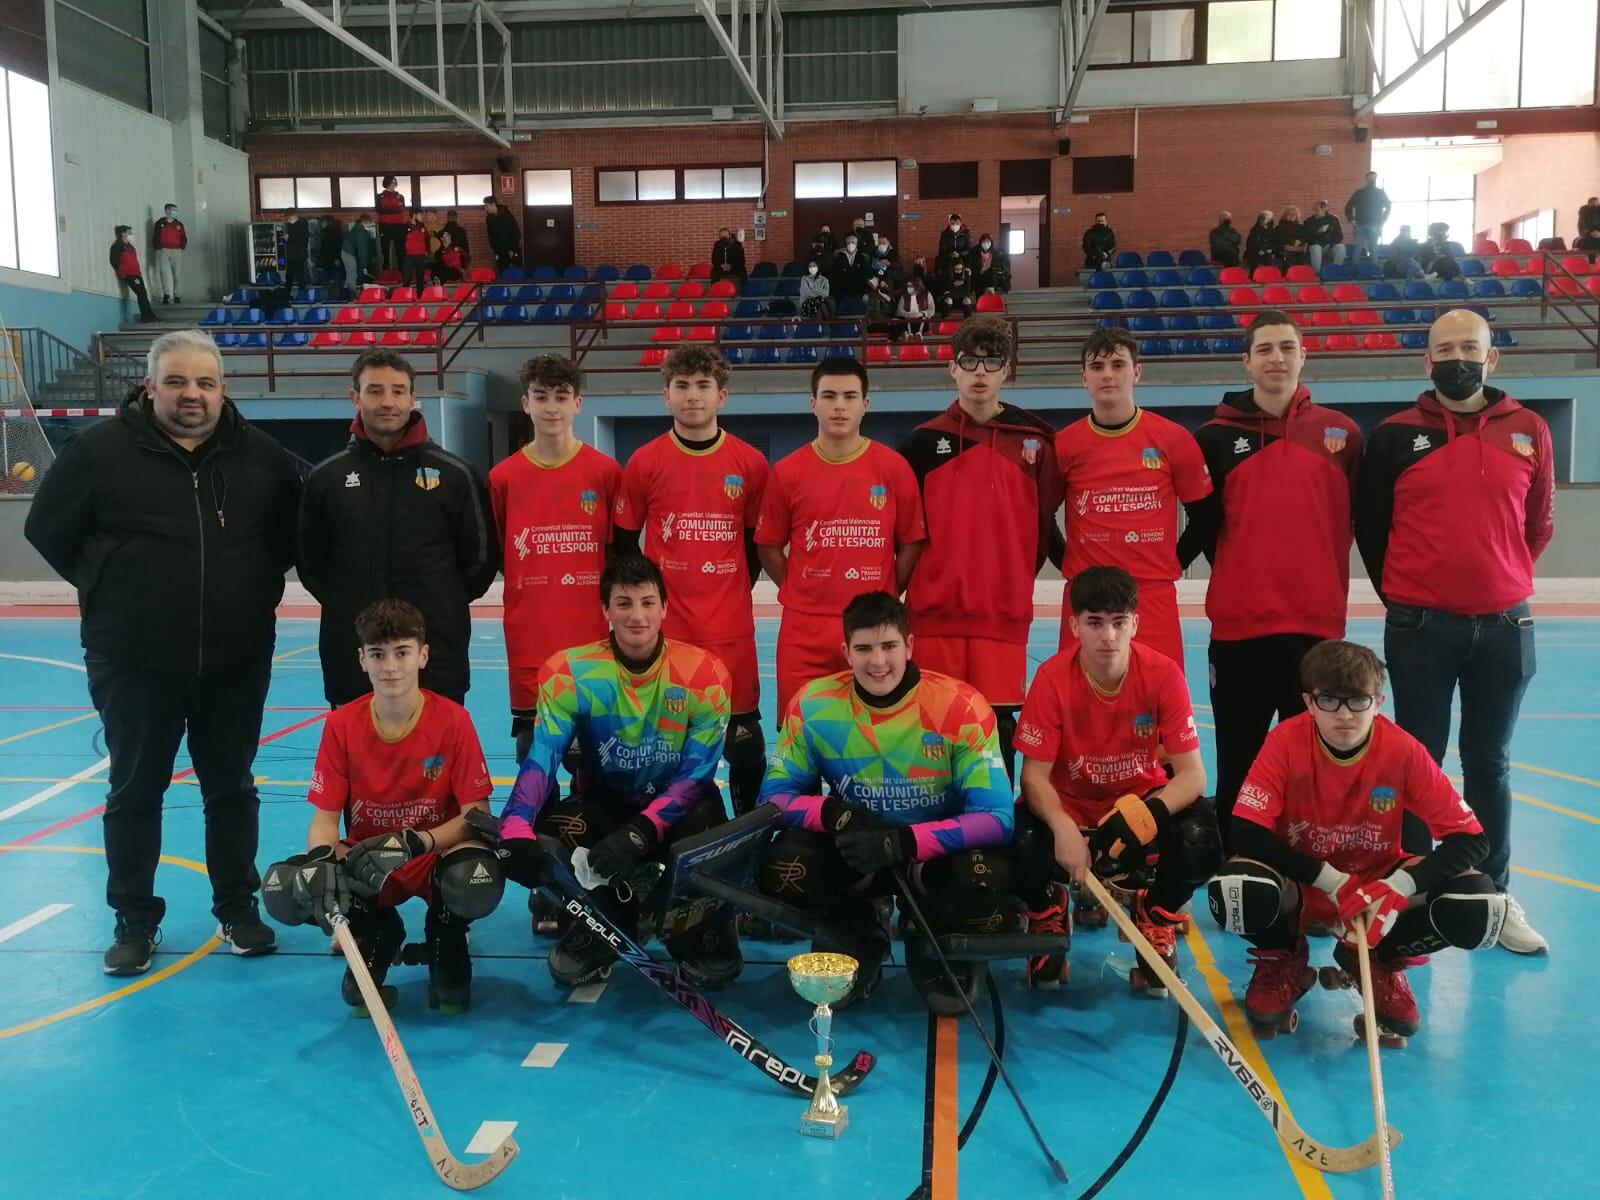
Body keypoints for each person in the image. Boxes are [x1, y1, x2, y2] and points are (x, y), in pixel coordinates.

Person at [24, 329, 301, 974]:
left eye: (205, 382)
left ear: (222, 389)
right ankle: (134, 918)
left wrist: (246, 587)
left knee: (231, 788)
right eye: (177, 381)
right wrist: (110, 584)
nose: (192, 394)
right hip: (133, 660)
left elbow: (288, 540)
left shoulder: (261, 457)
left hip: (234, 660)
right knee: (135, 789)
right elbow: (48, 530)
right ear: (151, 386)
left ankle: (238, 908)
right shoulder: (99, 452)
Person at [1354, 308, 1554, 955]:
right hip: (1420, 628)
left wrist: (1497, 579)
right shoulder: (1392, 436)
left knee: (1489, 765)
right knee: (1417, 765)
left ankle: (1492, 898)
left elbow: (1538, 524)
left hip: (1505, 625)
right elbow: (1371, 527)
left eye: (1470, 346)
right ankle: (1407, 896)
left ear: (1492, 358)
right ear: (1427, 360)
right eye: (1446, 348)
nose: (1458, 356)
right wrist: (1412, 595)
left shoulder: (1529, 430)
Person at [1209, 640, 1498, 1041]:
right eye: (1329, 701)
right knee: (1235, 889)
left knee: (1477, 906)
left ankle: (1380, 961)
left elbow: (1472, 840)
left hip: (1376, 884)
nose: (1344, 714)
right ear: (1309, 703)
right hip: (1305, 884)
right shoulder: (1285, 742)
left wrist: (1399, 887)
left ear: (1378, 702)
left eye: (1357, 701)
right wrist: (1330, 880)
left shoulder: (1402, 750)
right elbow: (1244, 829)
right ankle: (1283, 959)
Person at [757, 591, 1015, 1013]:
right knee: (785, 865)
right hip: (858, 851)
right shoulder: (813, 705)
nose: (878, 662)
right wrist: (835, 813)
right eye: (864, 649)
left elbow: (997, 819)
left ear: (909, 646)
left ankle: (926, 923)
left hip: (931, 857)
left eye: (889, 646)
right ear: (846, 652)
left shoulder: (961, 706)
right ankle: (860, 920)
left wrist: (905, 842)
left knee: (989, 880)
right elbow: (774, 799)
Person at [495, 555, 741, 990]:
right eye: (624, 604)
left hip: (679, 805)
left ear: (665, 607)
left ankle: (695, 926)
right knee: (555, 833)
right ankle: (608, 918)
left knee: (711, 837)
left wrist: (640, 832)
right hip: (604, 800)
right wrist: (514, 825)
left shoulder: (704, 674)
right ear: (605, 610)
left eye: (648, 602)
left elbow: (697, 775)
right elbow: (543, 756)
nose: (638, 616)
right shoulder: (569, 672)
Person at [263, 599, 501, 1014]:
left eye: (402, 653)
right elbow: (324, 820)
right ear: (362, 659)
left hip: (431, 855)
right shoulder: (341, 725)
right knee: (284, 889)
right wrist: (321, 860)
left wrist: (416, 841)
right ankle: (375, 932)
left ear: (422, 655)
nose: (390, 667)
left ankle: (446, 936)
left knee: (477, 877)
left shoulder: (453, 720)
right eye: (378, 655)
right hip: (368, 862)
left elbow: (475, 816)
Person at [1177, 311, 1361, 843]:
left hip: (1316, 627)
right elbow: (1208, 526)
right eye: (1264, 349)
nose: (1276, 358)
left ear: (1304, 356)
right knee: (1239, 752)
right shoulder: (1211, 438)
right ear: (1247, 361)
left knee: (1313, 756)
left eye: (1287, 347)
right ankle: (1240, 861)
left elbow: (1353, 522)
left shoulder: (1342, 435)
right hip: (1240, 629)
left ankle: (1307, 862)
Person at [1014, 567, 1213, 991]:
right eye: (1094, 623)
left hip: (1135, 807)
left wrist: (1146, 813)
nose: (1108, 636)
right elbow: (1033, 778)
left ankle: (1155, 914)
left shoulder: (1163, 675)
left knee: (1201, 835)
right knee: (1019, 839)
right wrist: (1062, 826)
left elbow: (1193, 775)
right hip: (1074, 809)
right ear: (1074, 626)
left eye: (1119, 622)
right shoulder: (1051, 679)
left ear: (1135, 623)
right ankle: (1048, 911)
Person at [899, 316, 1061, 782]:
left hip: (1003, 618)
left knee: (997, 735)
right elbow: (905, 532)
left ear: (1006, 370)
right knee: (931, 735)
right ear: (952, 368)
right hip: (934, 617)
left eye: (991, 361)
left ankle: (993, 839)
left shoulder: (1035, 443)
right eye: (969, 361)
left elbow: (1043, 523)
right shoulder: (921, 443)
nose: (980, 371)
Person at [613, 345, 770, 815]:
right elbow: (624, 545)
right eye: (682, 386)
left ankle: (748, 834)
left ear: (722, 396)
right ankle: (665, 835)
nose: (692, 396)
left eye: (703, 386)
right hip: (669, 635)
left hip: (730, 631)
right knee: (667, 747)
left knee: (744, 746)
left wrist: (727, 590)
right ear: (666, 396)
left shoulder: (750, 464)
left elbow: (753, 547)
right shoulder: (645, 461)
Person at [298, 349, 498, 709]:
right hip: (351, 655)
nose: (387, 401)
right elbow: (311, 564)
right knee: (358, 762)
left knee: (435, 764)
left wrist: (439, 602)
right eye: (375, 390)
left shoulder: (455, 474)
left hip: (437, 653)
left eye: (398, 390)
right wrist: (351, 603)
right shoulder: (326, 477)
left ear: (412, 397)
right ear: (355, 398)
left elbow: (480, 562)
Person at [756, 357, 926, 714]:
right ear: (812, 403)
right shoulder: (787, 472)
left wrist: (887, 588)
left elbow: (911, 541)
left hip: (872, 628)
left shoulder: (893, 468)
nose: (839, 405)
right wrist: (801, 587)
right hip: (804, 631)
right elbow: (768, 545)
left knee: (871, 734)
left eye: (849, 396)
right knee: (799, 735)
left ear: (865, 405)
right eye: (829, 395)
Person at [1055, 328, 1211, 673]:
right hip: (1085, 599)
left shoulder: (1173, 439)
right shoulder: (1064, 445)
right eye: (1097, 366)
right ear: (1083, 377)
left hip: (1151, 598)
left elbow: (1206, 518)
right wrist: (1073, 563)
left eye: (1118, 364)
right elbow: (1040, 517)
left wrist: (1168, 561)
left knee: (1157, 707)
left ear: (1136, 372)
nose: (1108, 374)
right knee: (1082, 709)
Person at [109, 225, 158, 323]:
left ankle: (150, 315)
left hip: (136, 273)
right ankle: (145, 316)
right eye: (129, 232)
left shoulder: (130, 246)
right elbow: (114, 261)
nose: (131, 234)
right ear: (123, 233)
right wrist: (122, 272)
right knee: (141, 293)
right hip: (129, 274)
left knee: (143, 293)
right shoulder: (117, 246)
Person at [1345, 170, 1391, 261]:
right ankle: (1355, 272)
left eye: (1374, 178)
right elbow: (1348, 206)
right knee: (1358, 250)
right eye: (1371, 178)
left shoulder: (1380, 193)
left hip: (1375, 224)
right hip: (1361, 224)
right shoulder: (1359, 193)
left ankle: (1375, 272)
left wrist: (1384, 219)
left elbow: (1389, 206)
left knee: (1373, 250)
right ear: (1366, 179)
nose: (1372, 179)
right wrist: (1351, 219)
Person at [151, 203, 187, 305]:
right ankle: (166, 294)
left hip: (176, 250)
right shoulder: (160, 223)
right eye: (173, 210)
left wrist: (182, 246)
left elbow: (183, 237)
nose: (175, 212)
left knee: (177, 274)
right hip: (164, 250)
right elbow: (155, 237)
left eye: (176, 210)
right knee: (164, 273)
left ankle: (177, 295)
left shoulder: (179, 224)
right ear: (167, 211)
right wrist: (158, 247)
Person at [376, 175, 408, 271]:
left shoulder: (400, 196)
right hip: (385, 225)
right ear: (386, 183)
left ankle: (402, 270)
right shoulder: (380, 196)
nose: (393, 184)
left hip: (399, 225)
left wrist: (388, 208)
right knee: (385, 249)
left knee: (400, 249)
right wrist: (394, 209)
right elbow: (379, 209)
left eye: (395, 182)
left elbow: (401, 209)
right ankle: (386, 270)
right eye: (391, 182)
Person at [1302, 200, 1345, 272]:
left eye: (1317, 210)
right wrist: (1318, 232)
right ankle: (1317, 272)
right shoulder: (1309, 221)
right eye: (1314, 210)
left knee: (1341, 247)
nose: (1315, 212)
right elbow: (1307, 238)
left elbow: (1339, 236)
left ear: (1324, 209)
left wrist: (1331, 244)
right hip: (1316, 246)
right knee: (1316, 247)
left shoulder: (1333, 219)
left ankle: (1336, 270)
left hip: (1330, 247)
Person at [485, 196, 521, 273]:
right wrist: (495, 250)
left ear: (493, 204)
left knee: (516, 271)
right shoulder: (489, 219)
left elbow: (516, 234)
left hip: (512, 249)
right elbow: (490, 236)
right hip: (499, 251)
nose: (486, 208)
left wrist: (512, 249)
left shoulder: (507, 216)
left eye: (487, 206)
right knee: (502, 271)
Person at [831, 232, 869, 300]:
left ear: (857, 244)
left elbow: (864, 275)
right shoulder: (840, 256)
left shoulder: (862, 257)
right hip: (843, 290)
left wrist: (864, 293)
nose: (850, 244)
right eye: (848, 243)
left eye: (853, 242)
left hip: (858, 290)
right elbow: (837, 275)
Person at [343, 213, 376, 291]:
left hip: (347, 252)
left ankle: (351, 291)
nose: (371, 226)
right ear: (365, 222)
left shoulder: (356, 228)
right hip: (349, 253)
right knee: (352, 274)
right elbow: (362, 250)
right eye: (370, 223)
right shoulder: (361, 233)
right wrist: (364, 266)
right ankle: (352, 292)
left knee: (351, 273)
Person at [402, 209, 430, 290]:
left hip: (420, 255)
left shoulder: (422, 227)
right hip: (409, 256)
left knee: (420, 278)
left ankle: (420, 295)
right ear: (414, 215)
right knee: (407, 277)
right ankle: (405, 295)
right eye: (420, 215)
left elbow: (427, 239)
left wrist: (427, 250)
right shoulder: (406, 226)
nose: (422, 217)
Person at [1273, 205, 1307, 270]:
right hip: (1284, 249)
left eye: (1294, 215)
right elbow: (1279, 240)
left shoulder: (1300, 227)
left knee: (1301, 257)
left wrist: (1300, 241)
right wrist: (1292, 242)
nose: (1293, 216)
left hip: (1297, 249)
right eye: (1291, 214)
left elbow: (1304, 237)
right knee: (1286, 257)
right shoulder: (1280, 227)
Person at [283, 209, 310, 289]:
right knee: (290, 276)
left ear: (294, 216)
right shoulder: (290, 226)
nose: (288, 220)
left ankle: (301, 295)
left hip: (299, 255)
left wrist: (289, 239)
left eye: (289, 218)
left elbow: (304, 241)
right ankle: (287, 296)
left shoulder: (302, 226)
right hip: (292, 255)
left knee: (299, 276)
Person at [1577, 196, 1600, 261]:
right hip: (1588, 237)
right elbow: (1581, 225)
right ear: (1589, 204)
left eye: (1597, 204)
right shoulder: (1584, 212)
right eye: (1594, 204)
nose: (1596, 205)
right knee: (1589, 245)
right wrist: (1589, 233)